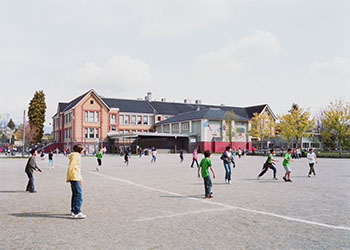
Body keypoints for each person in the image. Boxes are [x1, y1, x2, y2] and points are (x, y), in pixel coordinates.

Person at [66, 144, 86, 219]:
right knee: (79, 194)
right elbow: (71, 167)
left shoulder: (75, 155)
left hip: (75, 176)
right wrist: (69, 177)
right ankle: (77, 212)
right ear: (80, 150)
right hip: (74, 177)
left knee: (75, 194)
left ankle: (73, 210)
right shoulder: (76, 156)